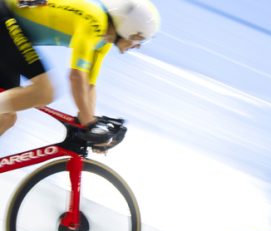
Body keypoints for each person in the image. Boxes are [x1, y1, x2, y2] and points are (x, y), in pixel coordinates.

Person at [0, 0, 160, 137]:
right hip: (5, 17)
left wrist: (91, 122)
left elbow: (89, 85)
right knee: (44, 92)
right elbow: (76, 77)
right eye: (139, 39)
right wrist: (88, 122)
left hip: (9, 27)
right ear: (129, 29)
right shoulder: (94, 23)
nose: (138, 46)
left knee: (6, 118)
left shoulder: (104, 41)